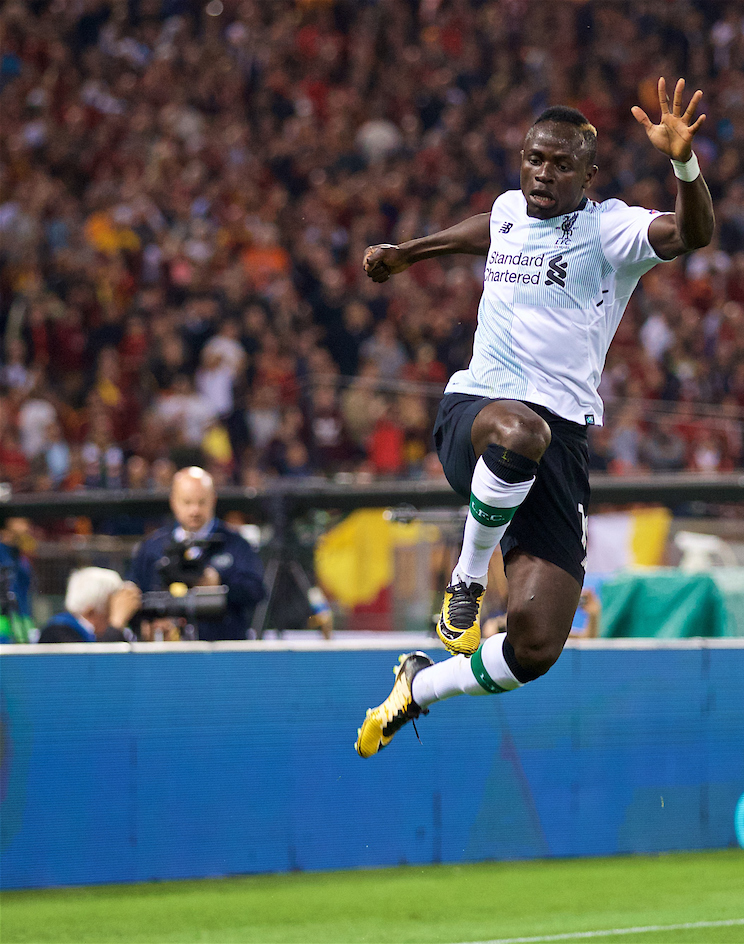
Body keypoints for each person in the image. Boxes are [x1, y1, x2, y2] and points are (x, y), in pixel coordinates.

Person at [354, 78, 713, 757]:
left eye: (559, 164)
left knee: (536, 645)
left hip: (561, 444)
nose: (543, 174)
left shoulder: (611, 231)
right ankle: (465, 581)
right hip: (476, 416)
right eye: (533, 160)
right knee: (521, 430)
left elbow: (693, 232)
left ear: (588, 173)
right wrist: (409, 252)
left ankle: (418, 686)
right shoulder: (510, 210)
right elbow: (487, 231)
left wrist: (683, 165)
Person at [127, 467, 265, 641]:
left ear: (213, 500)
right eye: (187, 502)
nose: (195, 511)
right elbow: (134, 593)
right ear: (173, 502)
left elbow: (256, 591)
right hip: (167, 651)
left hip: (222, 647)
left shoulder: (235, 544)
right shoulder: (153, 547)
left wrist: (218, 583)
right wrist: (145, 623)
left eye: (201, 502)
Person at [39, 568, 141, 644]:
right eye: (112, 605)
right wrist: (116, 622)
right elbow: (94, 667)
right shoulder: (57, 631)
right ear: (92, 609)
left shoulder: (102, 633)